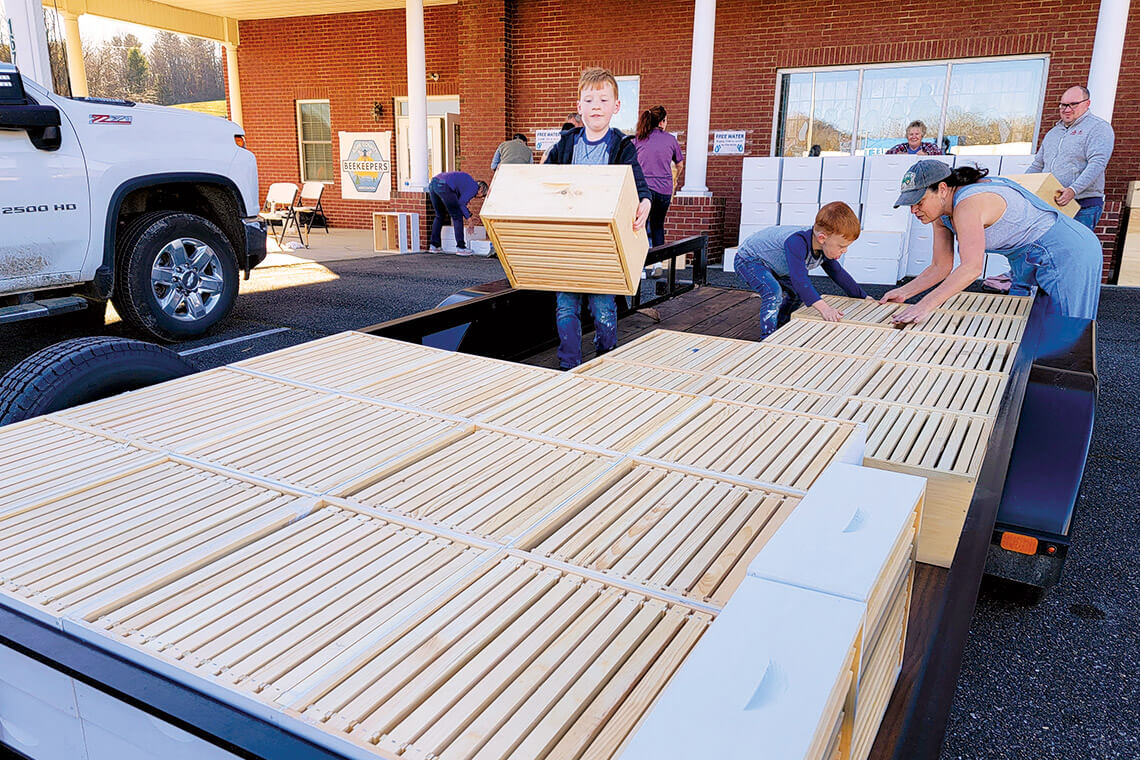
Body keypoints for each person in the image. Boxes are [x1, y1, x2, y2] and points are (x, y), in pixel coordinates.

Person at [882, 160, 1101, 323]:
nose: (913, 210)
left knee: (1068, 326)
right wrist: (905, 292)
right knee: (1035, 326)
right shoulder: (940, 214)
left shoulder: (968, 204)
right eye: (909, 204)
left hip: (1068, 251)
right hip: (1031, 256)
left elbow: (971, 268)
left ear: (942, 189)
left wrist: (924, 306)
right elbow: (941, 266)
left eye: (918, 202)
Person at [544, 67, 652, 369]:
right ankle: (569, 365)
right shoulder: (566, 144)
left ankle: (605, 359)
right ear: (579, 107)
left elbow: (637, 182)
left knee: (603, 307)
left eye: (603, 100)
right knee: (566, 306)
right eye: (589, 100)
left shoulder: (621, 146)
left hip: (603, 245)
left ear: (616, 107)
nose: (596, 106)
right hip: (568, 242)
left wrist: (645, 200)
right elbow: (542, 179)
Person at [734, 202, 872, 339]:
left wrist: (863, 297)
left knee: (797, 293)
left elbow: (838, 273)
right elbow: (800, 279)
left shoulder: (824, 247)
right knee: (773, 292)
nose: (845, 250)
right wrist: (825, 309)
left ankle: (782, 325)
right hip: (750, 260)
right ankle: (768, 337)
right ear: (822, 238)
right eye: (842, 246)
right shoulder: (797, 242)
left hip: (775, 266)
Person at [1027, 85, 1115, 231]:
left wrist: (1073, 190)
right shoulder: (1053, 133)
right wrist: (1022, 188)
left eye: (1073, 104)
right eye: (1063, 105)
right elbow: (1037, 165)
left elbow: (1097, 164)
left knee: (1074, 252)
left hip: (1083, 206)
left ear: (1087, 103)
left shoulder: (1099, 128)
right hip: (1051, 204)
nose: (1067, 109)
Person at [633, 105, 685, 248]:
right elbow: (680, 164)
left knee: (640, 224)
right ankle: (658, 263)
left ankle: (641, 266)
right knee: (658, 224)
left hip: (644, 189)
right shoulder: (670, 140)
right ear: (661, 122)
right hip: (664, 189)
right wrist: (675, 179)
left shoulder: (638, 139)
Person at [427, 171, 487, 255]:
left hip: (433, 183)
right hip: (445, 185)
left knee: (439, 215)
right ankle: (461, 248)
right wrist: (470, 220)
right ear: (481, 189)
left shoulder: (467, 182)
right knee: (457, 216)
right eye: (483, 196)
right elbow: (461, 203)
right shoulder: (474, 187)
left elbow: (459, 199)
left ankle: (434, 246)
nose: (481, 198)